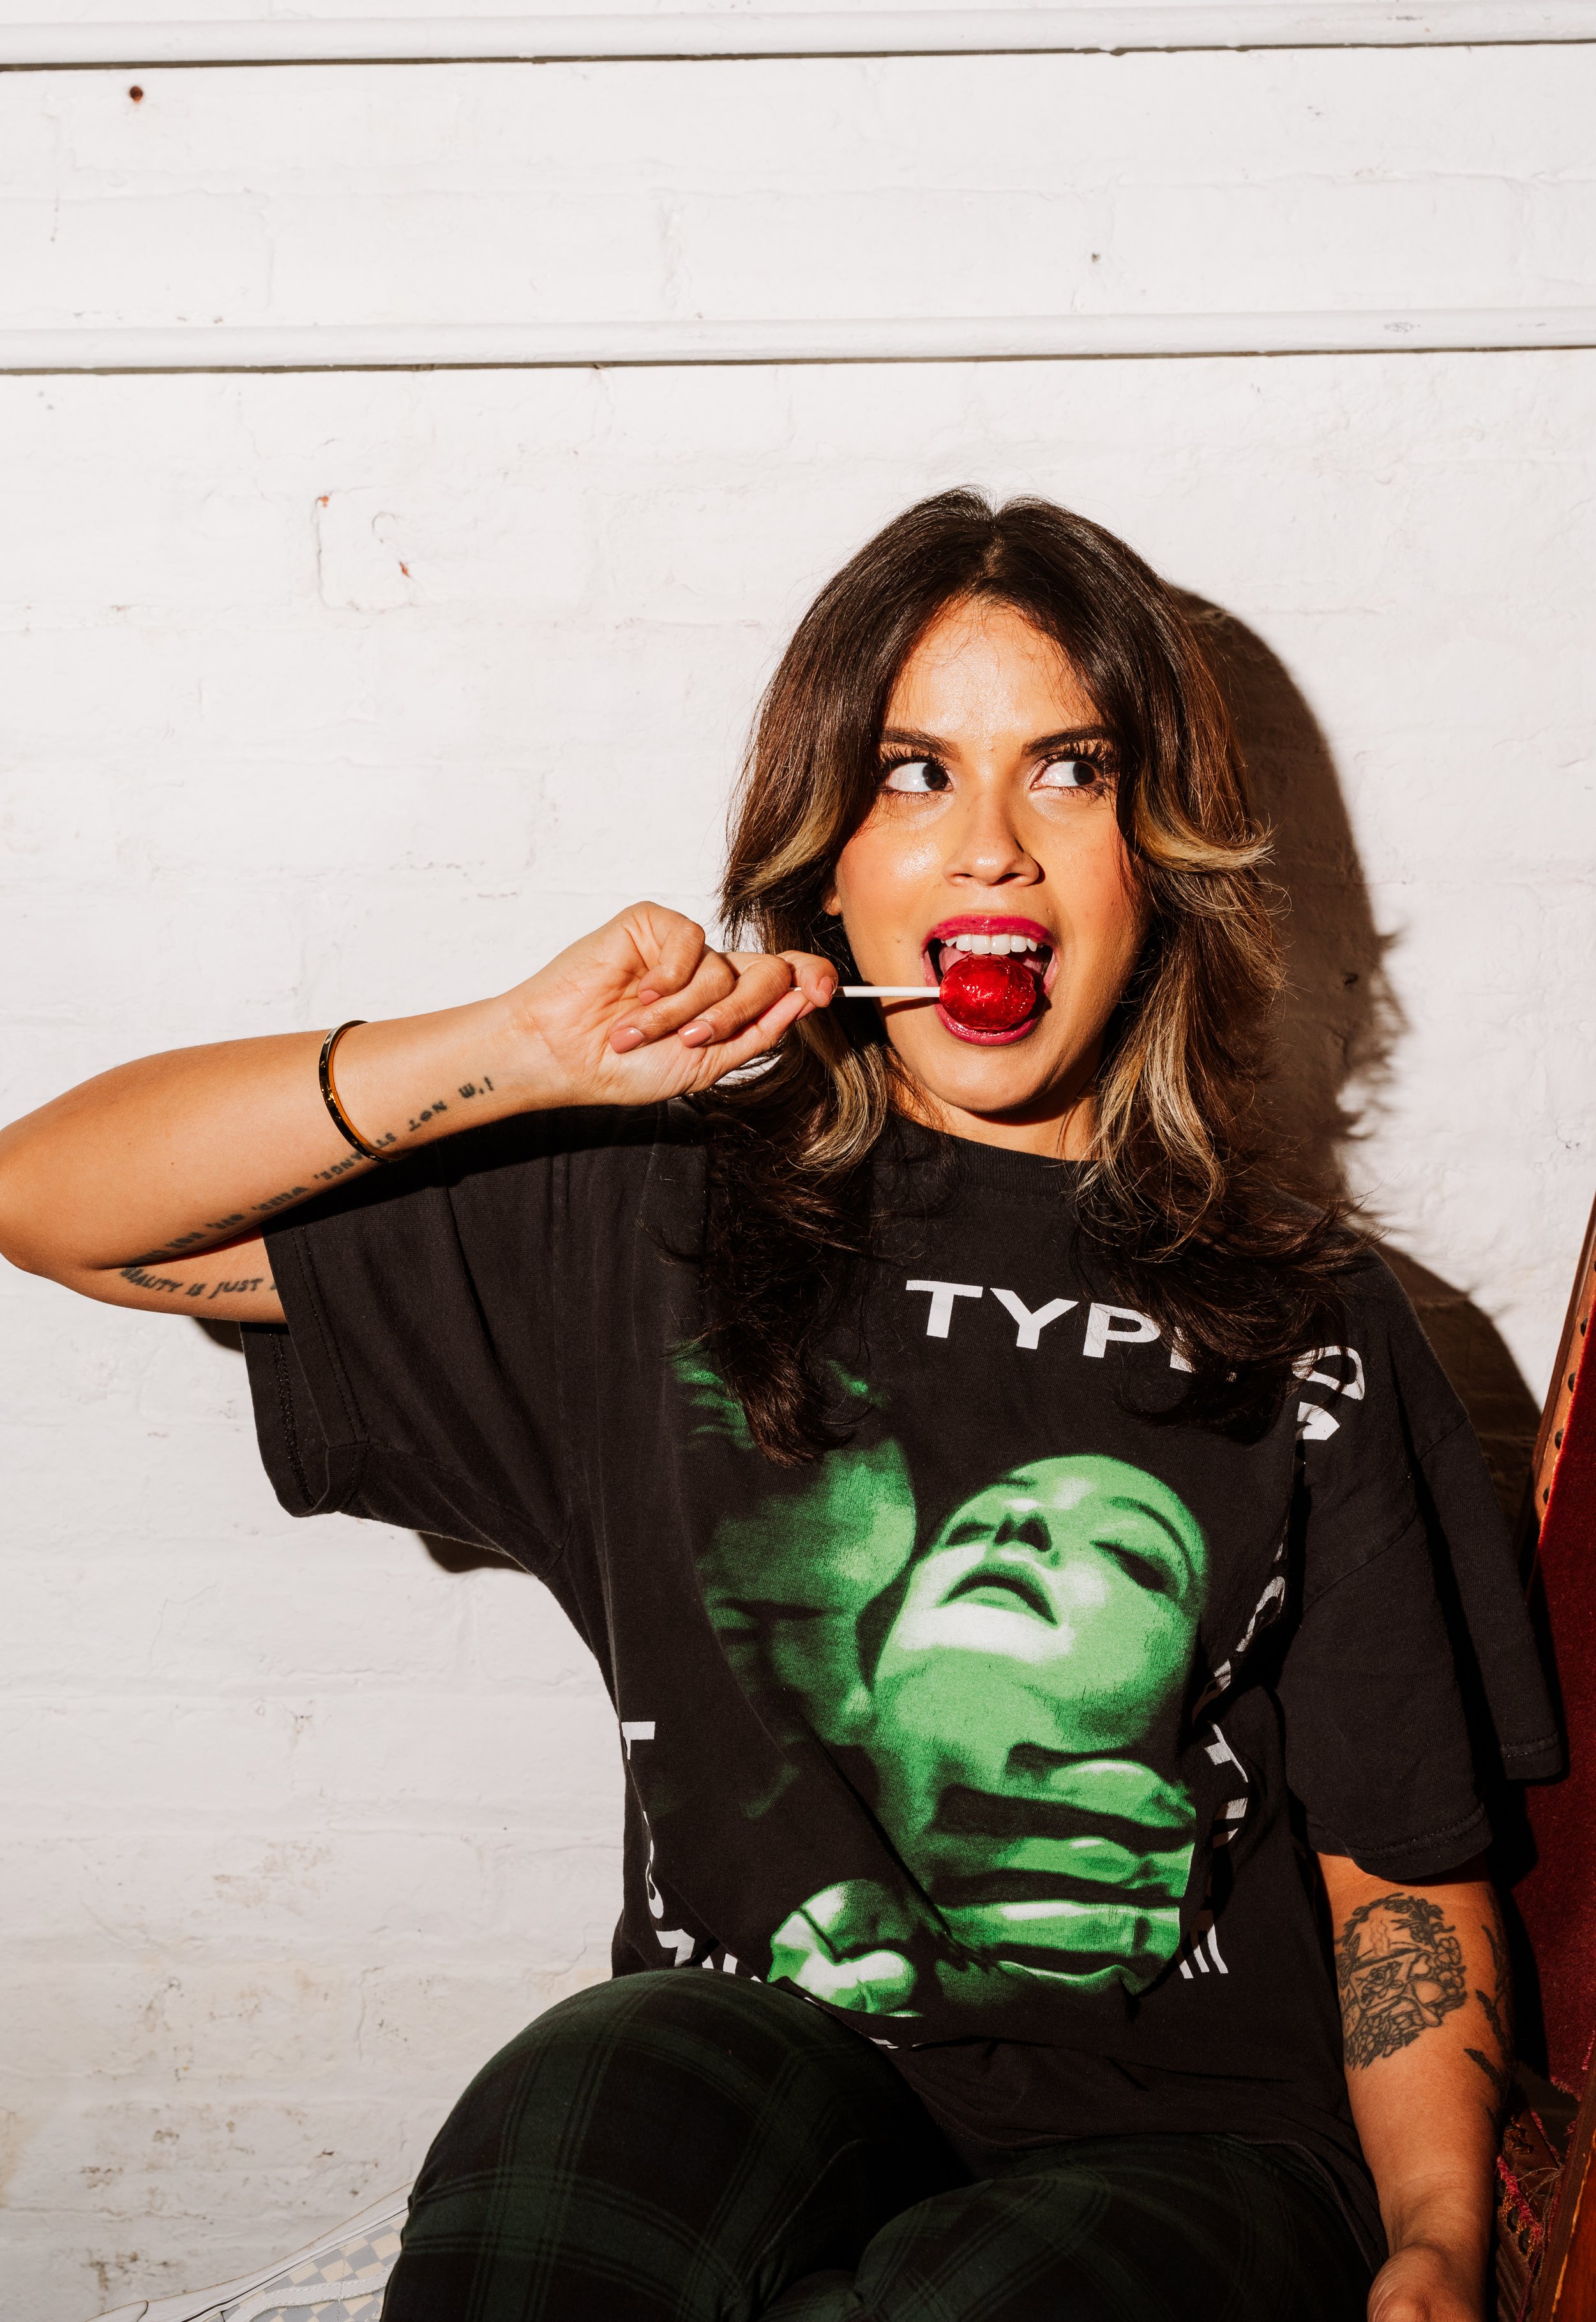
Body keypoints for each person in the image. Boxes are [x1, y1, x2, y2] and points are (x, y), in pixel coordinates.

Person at [0, 490, 1556, 2322]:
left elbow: (1399, 1869)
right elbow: (56, 1200)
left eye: (1066, 772)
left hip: (1196, 2137)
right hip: (764, 2057)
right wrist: (511, 1055)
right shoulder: (646, 1213)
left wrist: (1438, 2238)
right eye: (911, 775)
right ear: (828, 859)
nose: (988, 851)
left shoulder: (1311, 1317)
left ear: (1157, 851)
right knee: (561, 2152)